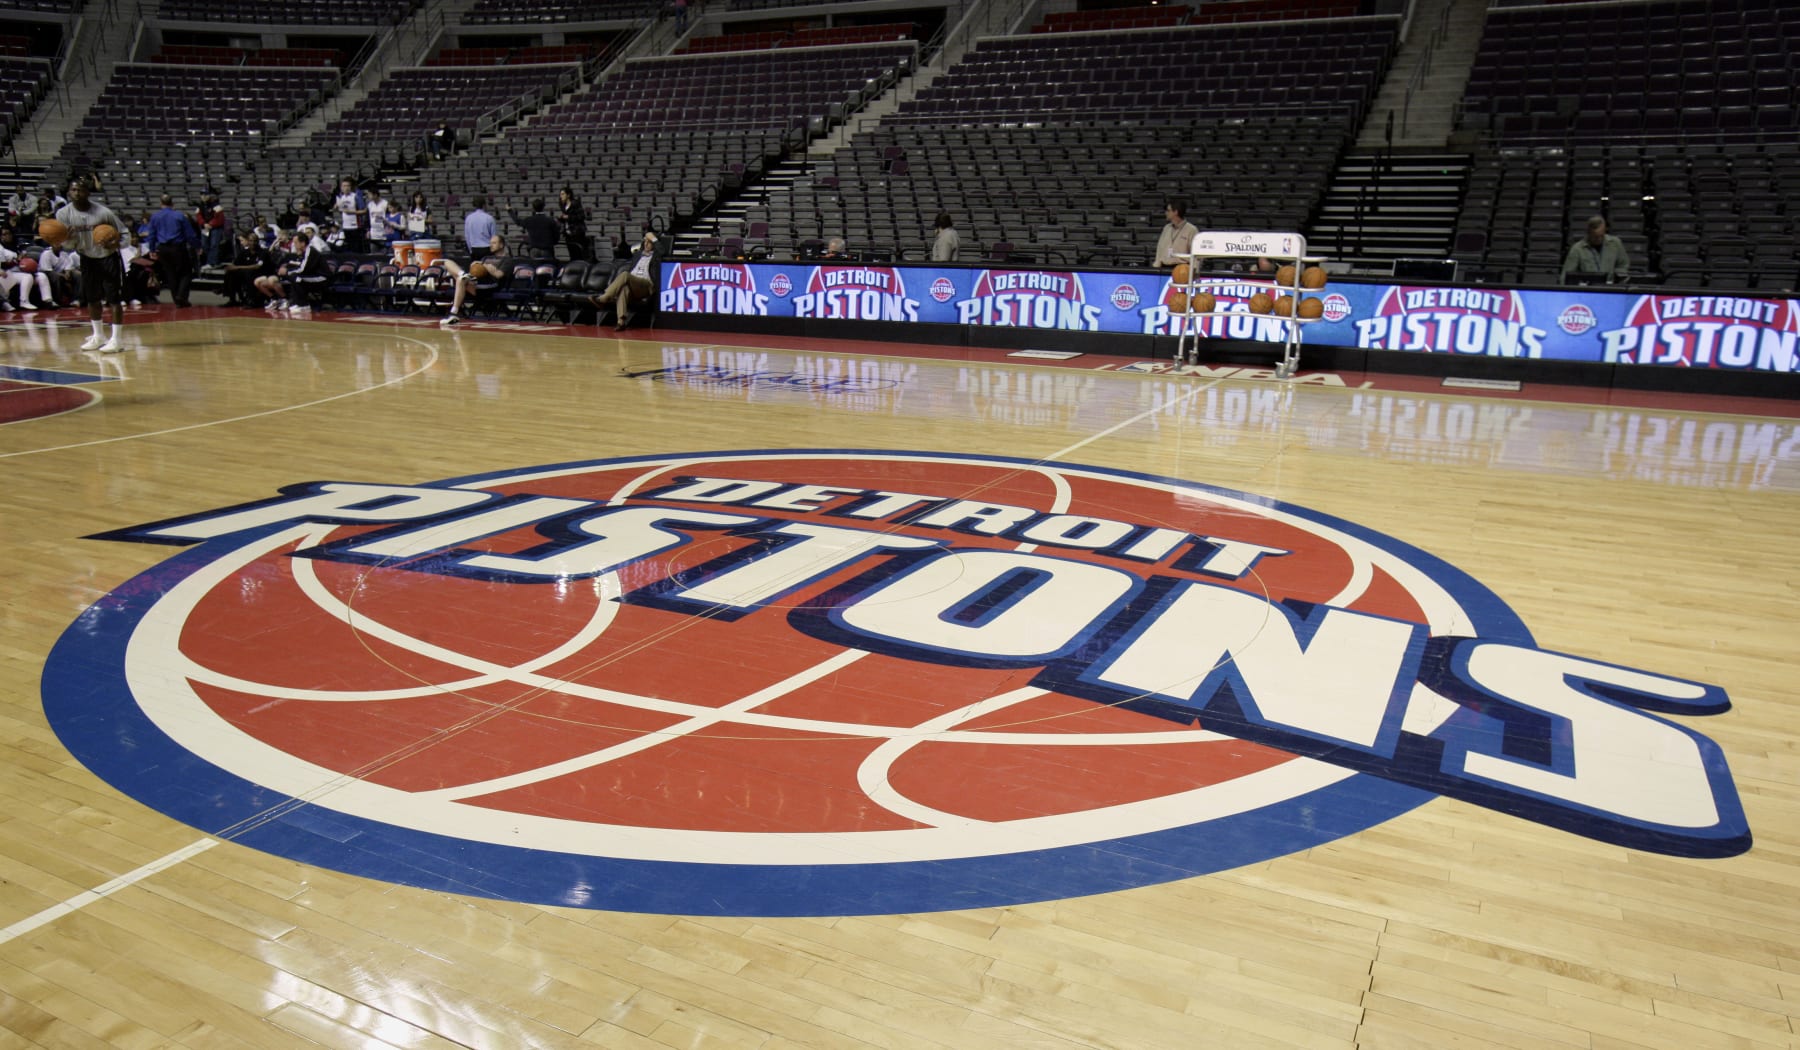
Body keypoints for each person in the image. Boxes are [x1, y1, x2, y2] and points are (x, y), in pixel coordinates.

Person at [55, 177, 128, 352]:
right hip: (87, 257)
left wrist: (115, 244)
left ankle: (117, 340)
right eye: (73, 190)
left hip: (108, 257)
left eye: (80, 190)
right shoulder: (63, 214)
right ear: (68, 193)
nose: (77, 193)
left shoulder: (103, 213)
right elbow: (67, 245)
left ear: (88, 192)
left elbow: (124, 234)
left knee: (114, 299)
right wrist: (67, 239)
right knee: (92, 298)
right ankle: (98, 336)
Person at [438, 234, 518, 326]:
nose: (491, 245)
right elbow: (478, 269)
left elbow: (498, 275)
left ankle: (454, 313)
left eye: (494, 243)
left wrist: (486, 267)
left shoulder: (507, 260)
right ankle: (463, 274)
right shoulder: (486, 258)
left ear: (501, 245)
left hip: (490, 285)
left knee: (461, 280)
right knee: (447, 262)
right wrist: (476, 265)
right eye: (490, 243)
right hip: (476, 282)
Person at [591, 231, 660, 330]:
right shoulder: (638, 254)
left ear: (653, 244)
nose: (645, 244)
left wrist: (654, 238)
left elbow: (663, 250)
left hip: (646, 285)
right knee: (624, 289)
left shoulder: (657, 256)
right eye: (644, 241)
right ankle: (621, 322)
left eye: (649, 242)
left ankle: (604, 298)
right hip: (633, 284)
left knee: (624, 275)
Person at [145, 192, 200, 307]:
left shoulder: (155, 217)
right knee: (186, 272)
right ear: (172, 203)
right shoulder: (179, 216)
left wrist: (152, 249)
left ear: (161, 204)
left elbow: (152, 235)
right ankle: (181, 296)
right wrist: (197, 246)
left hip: (163, 248)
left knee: (170, 274)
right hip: (178, 247)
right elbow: (190, 234)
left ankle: (176, 299)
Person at [1562, 215, 1628, 283]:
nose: (1599, 239)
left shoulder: (1615, 243)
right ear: (1588, 233)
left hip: (1611, 287)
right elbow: (1567, 275)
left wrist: (1617, 279)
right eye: (1595, 237)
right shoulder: (1577, 249)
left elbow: (1623, 264)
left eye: (1601, 236)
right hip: (1588, 289)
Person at [220, 231, 267, 306]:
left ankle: (250, 300)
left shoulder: (263, 252)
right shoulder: (244, 252)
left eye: (255, 241)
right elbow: (235, 264)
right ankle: (232, 299)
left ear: (257, 242)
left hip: (259, 273)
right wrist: (231, 267)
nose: (253, 243)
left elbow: (257, 266)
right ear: (248, 241)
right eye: (251, 241)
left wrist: (238, 267)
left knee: (249, 274)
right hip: (245, 273)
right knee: (231, 273)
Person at [1153, 199, 1198, 269]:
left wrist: (1194, 269)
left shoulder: (1191, 230)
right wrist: (1157, 265)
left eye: (1168, 210)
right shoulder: (1167, 228)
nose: (1166, 213)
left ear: (1176, 212)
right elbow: (1160, 248)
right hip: (1164, 267)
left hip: (1182, 269)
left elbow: (1196, 254)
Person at [119, 229, 160, 306]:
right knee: (134, 273)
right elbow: (135, 259)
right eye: (133, 237)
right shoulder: (125, 248)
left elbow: (149, 255)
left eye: (136, 237)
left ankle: (149, 296)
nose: (135, 239)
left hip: (142, 268)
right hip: (129, 270)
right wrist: (139, 249)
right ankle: (131, 297)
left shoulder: (142, 245)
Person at [333, 177, 368, 254]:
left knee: (357, 248)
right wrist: (336, 208)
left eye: (348, 186)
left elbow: (364, 211)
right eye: (344, 186)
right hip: (346, 226)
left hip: (355, 225)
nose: (346, 188)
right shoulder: (340, 197)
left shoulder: (355, 196)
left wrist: (352, 212)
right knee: (349, 248)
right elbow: (341, 211)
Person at [558, 187, 590, 263]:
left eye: (563, 194)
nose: (561, 196)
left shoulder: (575, 203)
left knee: (578, 253)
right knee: (571, 253)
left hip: (577, 232)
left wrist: (568, 217)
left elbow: (581, 217)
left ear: (568, 195)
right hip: (568, 232)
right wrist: (561, 218)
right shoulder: (562, 205)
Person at [463, 196, 496, 260]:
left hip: (474, 248)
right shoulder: (489, 218)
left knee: (476, 268)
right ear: (484, 205)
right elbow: (494, 237)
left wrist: (470, 250)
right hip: (487, 248)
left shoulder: (469, 218)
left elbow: (467, 236)